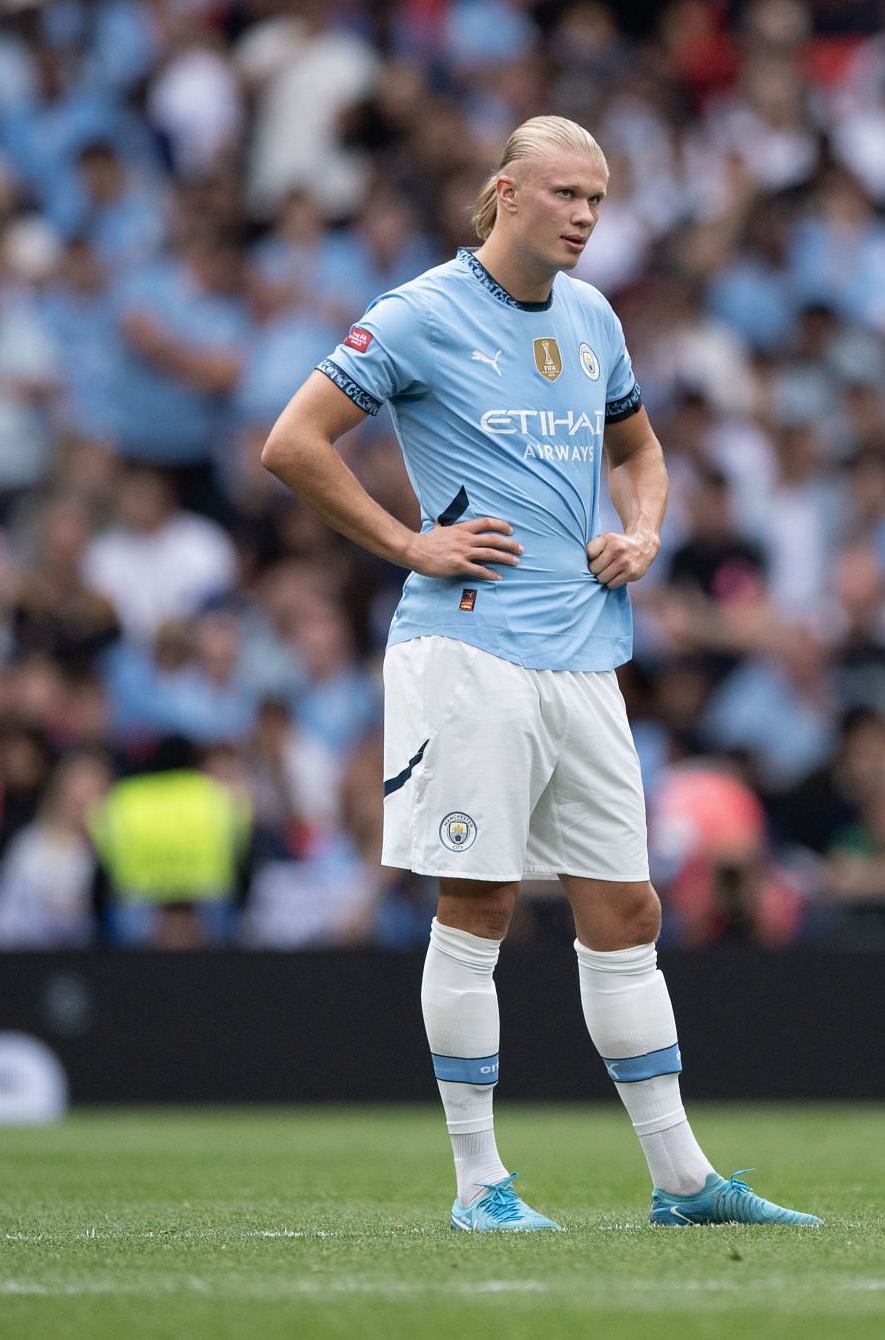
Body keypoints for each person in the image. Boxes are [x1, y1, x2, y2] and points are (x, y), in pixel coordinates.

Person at [261, 115, 816, 1232]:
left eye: (599, 200)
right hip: (466, 648)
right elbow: (292, 443)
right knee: (480, 903)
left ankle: (682, 1180)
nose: (584, 217)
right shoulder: (420, 313)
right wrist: (411, 541)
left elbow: (641, 453)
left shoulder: (594, 316)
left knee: (627, 904)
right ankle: (479, 1185)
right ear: (506, 192)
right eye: (566, 194)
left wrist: (643, 531)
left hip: (585, 652)